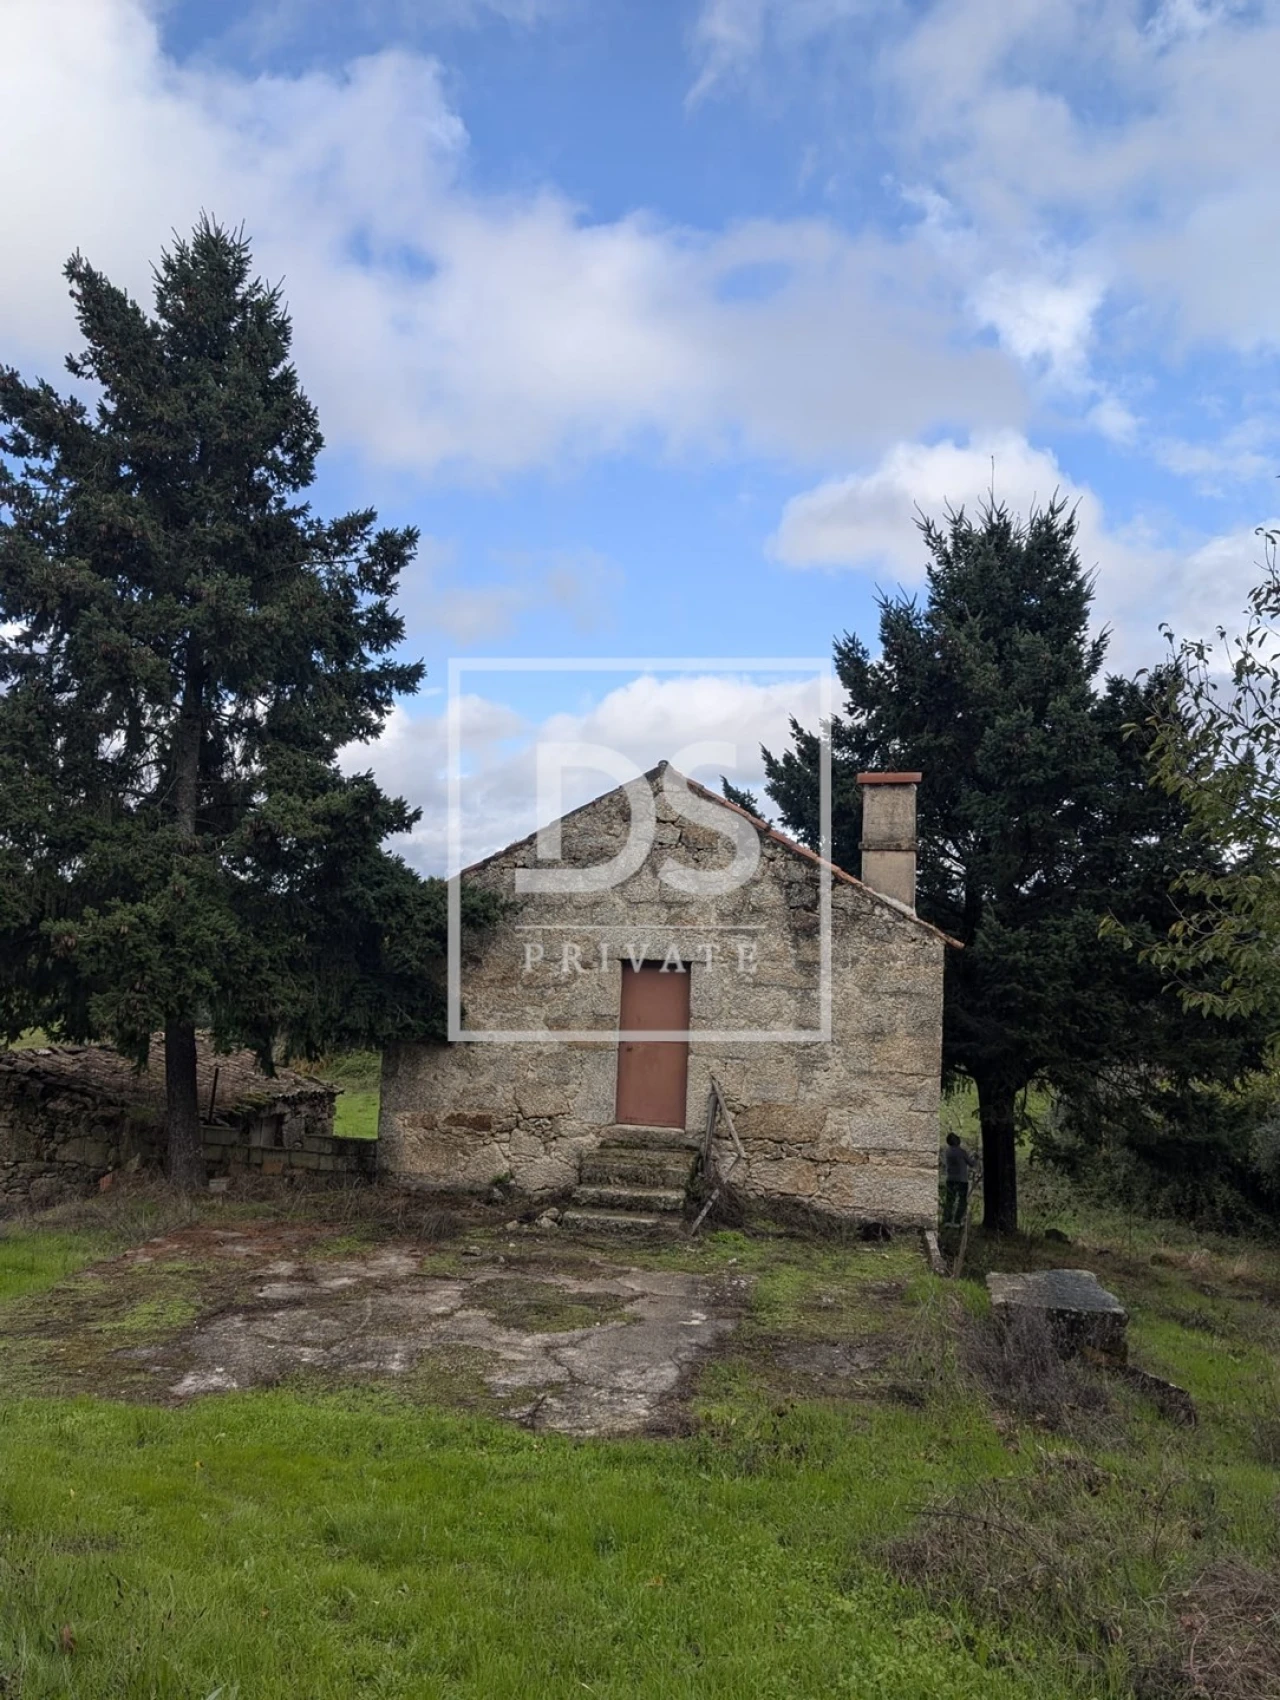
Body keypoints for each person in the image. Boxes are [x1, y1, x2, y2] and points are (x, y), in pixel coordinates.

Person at [942, 1131, 978, 1227]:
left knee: (950, 1200)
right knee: (962, 1201)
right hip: (961, 1180)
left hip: (950, 1179)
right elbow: (971, 1164)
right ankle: (957, 1221)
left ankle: (947, 1221)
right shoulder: (961, 1152)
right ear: (955, 1141)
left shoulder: (948, 1152)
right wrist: (975, 1158)